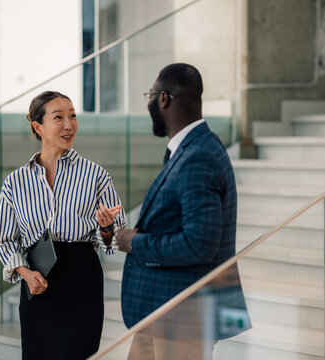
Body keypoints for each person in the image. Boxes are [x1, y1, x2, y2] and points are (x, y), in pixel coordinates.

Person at [116, 63, 251, 359]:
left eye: (150, 96)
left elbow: (199, 243)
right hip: (163, 312)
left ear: (163, 98)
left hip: (184, 316)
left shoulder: (198, 156)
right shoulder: (191, 149)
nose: (149, 103)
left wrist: (134, 242)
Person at [0, 91, 126, 360]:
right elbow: (4, 239)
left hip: (82, 278)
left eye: (73, 116)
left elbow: (118, 235)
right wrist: (26, 274)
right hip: (37, 280)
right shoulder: (16, 182)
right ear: (37, 127)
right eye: (59, 117)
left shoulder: (96, 174)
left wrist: (107, 228)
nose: (69, 124)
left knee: (78, 353)